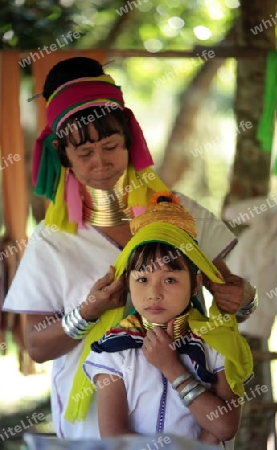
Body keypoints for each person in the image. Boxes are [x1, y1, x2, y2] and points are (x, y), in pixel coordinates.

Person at [2, 57, 257, 439]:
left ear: (130, 141)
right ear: (63, 156)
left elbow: (234, 297)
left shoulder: (180, 214)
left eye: (111, 146)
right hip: (94, 424)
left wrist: (245, 299)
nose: (101, 163)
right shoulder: (52, 240)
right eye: (85, 153)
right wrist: (90, 311)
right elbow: (35, 345)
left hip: (191, 418)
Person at [83, 193, 253, 448]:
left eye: (170, 279)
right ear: (127, 282)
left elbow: (225, 426)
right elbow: (115, 437)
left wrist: (172, 367)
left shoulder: (216, 342)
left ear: (195, 284)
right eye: (142, 279)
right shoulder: (113, 349)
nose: (154, 293)